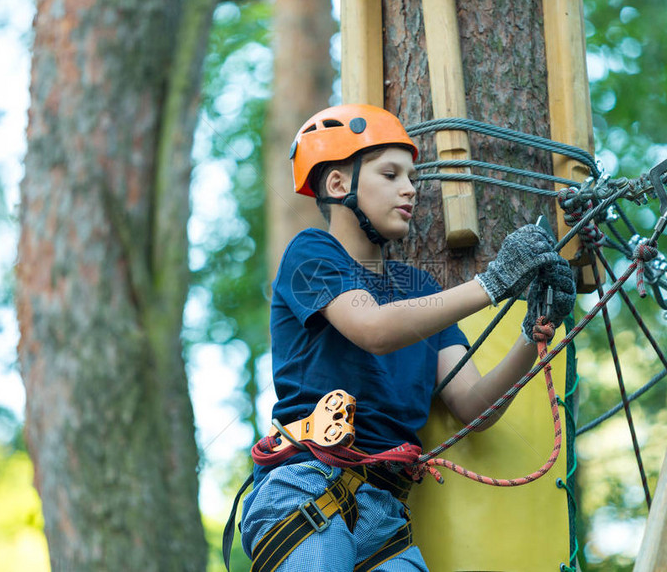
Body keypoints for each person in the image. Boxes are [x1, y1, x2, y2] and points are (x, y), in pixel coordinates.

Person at [236, 104, 575, 571]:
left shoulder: (421, 289)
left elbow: (474, 406)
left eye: (411, 177)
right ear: (338, 185)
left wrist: (530, 334)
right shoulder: (312, 254)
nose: (410, 189)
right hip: (306, 488)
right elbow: (373, 329)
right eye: (390, 173)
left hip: (386, 514)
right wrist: (493, 283)